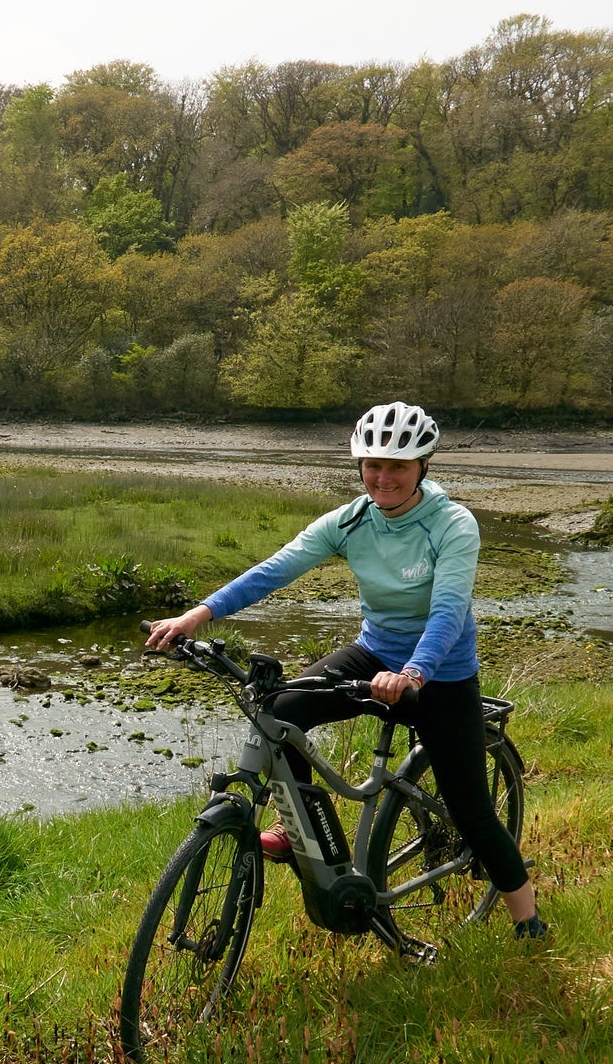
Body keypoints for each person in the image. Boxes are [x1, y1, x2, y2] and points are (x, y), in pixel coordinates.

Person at [144, 401, 548, 940]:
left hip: (441, 675)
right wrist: (199, 613)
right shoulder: (352, 520)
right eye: (372, 465)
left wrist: (414, 674)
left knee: (471, 809)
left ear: (423, 466)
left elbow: (448, 612)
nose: (383, 477)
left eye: (398, 466)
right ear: (360, 467)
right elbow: (276, 569)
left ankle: (528, 921)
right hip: (373, 653)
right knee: (280, 714)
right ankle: (302, 830)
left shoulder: (452, 525)